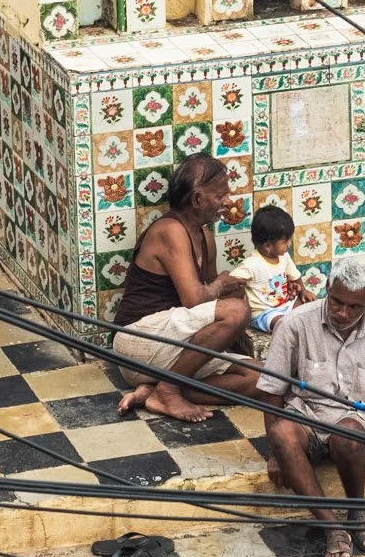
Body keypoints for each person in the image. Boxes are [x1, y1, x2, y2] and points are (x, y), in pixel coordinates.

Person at [257, 253, 365, 557]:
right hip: (308, 416)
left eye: (354, 307)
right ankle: (332, 527)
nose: (342, 312)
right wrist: (275, 449)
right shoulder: (295, 325)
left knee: (347, 435)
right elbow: (271, 391)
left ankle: (357, 511)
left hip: (358, 423)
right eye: (336, 301)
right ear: (327, 287)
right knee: (283, 434)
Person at [111, 156, 263, 422]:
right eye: (221, 195)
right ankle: (169, 390)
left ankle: (156, 390)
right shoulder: (170, 230)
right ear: (196, 199)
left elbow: (209, 306)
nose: (228, 202)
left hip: (173, 349)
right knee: (236, 310)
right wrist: (220, 286)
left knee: (262, 380)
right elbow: (195, 299)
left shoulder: (205, 237)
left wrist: (238, 287)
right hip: (137, 339)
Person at [234, 204, 302, 329]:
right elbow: (232, 280)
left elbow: (296, 276)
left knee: (309, 306)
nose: (290, 244)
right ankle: (290, 326)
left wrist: (303, 291)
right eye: (285, 241)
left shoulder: (284, 257)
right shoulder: (252, 264)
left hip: (286, 306)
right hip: (264, 314)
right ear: (268, 246)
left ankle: (293, 322)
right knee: (281, 323)